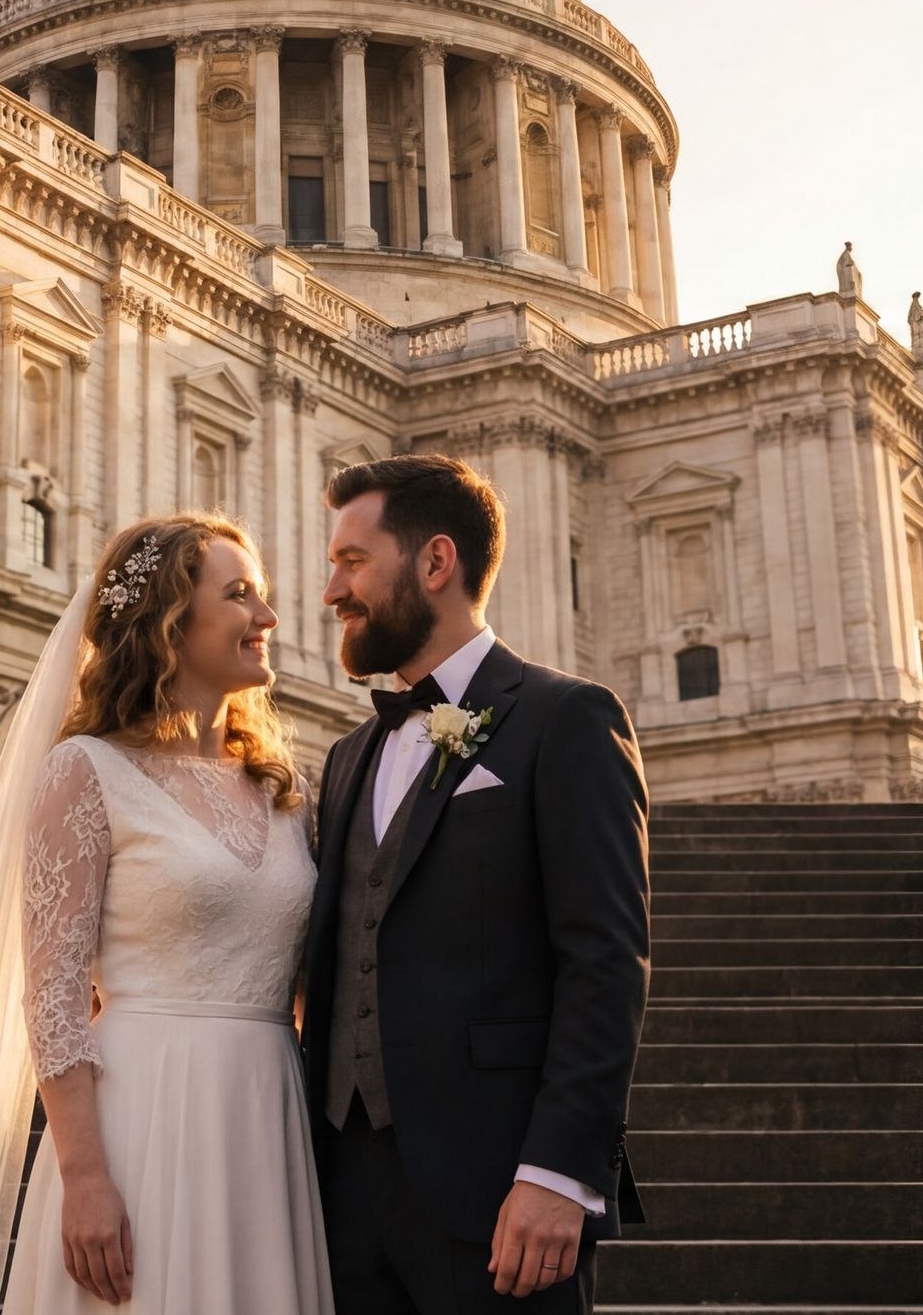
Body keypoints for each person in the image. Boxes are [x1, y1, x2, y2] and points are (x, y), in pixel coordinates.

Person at [0, 514, 332, 1315]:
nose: (269, 619)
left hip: (268, 1118)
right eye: (241, 595)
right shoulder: (85, 773)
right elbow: (54, 995)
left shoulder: (285, 790)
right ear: (170, 622)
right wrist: (84, 1177)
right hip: (143, 1117)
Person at [307, 454, 650, 1314]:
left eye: (352, 562)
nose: (331, 591)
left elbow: (605, 963)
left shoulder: (567, 717)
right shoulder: (348, 758)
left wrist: (559, 1173)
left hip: (503, 1196)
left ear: (435, 563)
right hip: (340, 1198)